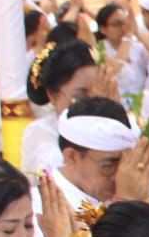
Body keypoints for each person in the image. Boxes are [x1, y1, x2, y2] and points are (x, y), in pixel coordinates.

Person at [22, 39, 100, 175]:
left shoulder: (105, 125)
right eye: (81, 94)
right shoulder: (40, 133)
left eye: (97, 92)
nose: (91, 101)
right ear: (52, 95)